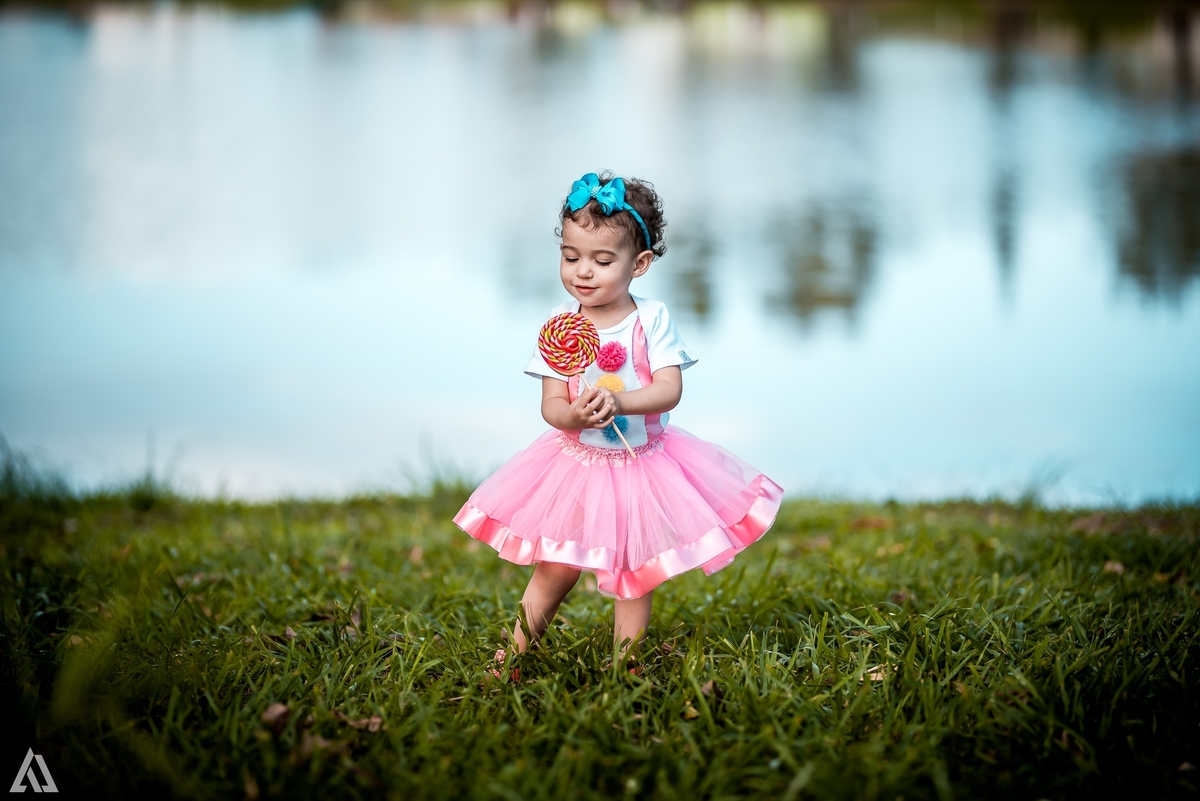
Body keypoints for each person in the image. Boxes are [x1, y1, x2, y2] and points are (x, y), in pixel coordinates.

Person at [453, 171, 783, 677]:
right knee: (555, 567)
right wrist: (573, 415)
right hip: (574, 466)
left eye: (602, 261)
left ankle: (624, 668)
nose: (583, 272)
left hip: (641, 466)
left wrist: (621, 401)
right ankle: (512, 656)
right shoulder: (561, 325)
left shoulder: (651, 319)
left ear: (639, 264)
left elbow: (669, 389)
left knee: (634, 572)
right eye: (571, 257)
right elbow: (551, 406)